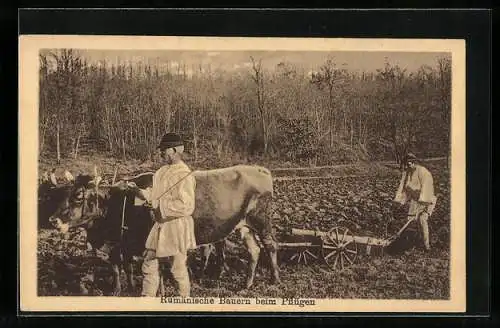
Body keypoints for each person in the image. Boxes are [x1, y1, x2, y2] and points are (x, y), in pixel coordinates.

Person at [141, 133, 197, 297]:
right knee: (149, 262)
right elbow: (155, 194)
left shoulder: (184, 174)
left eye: (164, 150)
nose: (161, 154)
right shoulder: (161, 172)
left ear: (174, 150)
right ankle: (146, 301)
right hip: (160, 225)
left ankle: (184, 302)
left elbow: (187, 206)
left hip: (176, 226)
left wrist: (159, 206)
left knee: (177, 268)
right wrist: (140, 193)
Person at [393, 152, 437, 251]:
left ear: (413, 162)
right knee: (409, 220)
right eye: (406, 164)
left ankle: (427, 246)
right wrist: (400, 202)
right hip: (415, 200)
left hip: (427, 200)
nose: (407, 166)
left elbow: (428, 189)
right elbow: (404, 190)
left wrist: (423, 205)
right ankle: (409, 243)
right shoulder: (407, 174)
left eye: (409, 164)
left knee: (422, 220)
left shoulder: (423, 172)